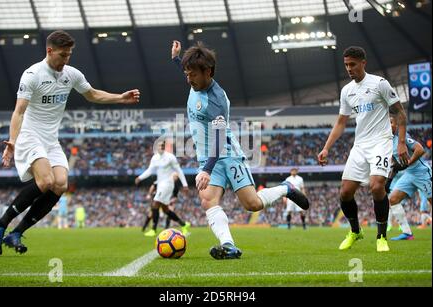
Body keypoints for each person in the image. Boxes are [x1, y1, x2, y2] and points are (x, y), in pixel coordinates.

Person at [0, 30, 140, 255]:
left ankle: (17, 232)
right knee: (46, 180)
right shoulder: (32, 74)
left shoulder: (71, 74)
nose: (66, 59)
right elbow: (19, 112)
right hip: (30, 134)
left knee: (60, 184)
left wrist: (120, 97)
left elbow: (92, 94)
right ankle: (0, 224)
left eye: (69, 55)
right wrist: (13, 140)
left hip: (50, 139)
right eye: (62, 55)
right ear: (49, 51)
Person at [171, 40, 309, 259]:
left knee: (252, 204)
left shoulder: (216, 101)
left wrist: (206, 169)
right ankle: (228, 245)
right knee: (207, 199)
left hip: (227, 154)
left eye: (192, 75)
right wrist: (177, 58)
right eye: (187, 74)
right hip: (207, 158)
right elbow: (186, 70)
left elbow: (217, 140)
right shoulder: (195, 81)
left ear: (208, 72)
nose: (188, 79)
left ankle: (286, 188)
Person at [317, 46, 409, 252]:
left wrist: (401, 142)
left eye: (352, 64)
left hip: (381, 142)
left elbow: (400, 113)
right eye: (346, 65)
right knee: (346, 192)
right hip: (360, 145)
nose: (349, 69)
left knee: (377, 187)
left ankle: (381, 237)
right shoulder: (347, 91)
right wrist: (326, 148)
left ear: (363, 63)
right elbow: (341, 123)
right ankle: (355, 231)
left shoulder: (379, 84)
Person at [386, 115, 432, 240]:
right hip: (409, 174)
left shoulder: (403, 138)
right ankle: (407, 233)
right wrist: (388, 182)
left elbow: (420, 149)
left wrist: (408, 162)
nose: (388, 124)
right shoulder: (389, 141)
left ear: (396, 125)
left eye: (391, 122)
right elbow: (396, 165)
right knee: (393, 199)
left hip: (422, 173)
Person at [135, 140, 190, 237]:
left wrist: (185, 184)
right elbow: (149, 171)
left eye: (162, 146)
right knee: (165, 210)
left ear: (164, 147)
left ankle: (153, 229)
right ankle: (184, 224)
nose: (161, 147)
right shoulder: (155, 158)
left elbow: (179, 171)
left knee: (155, 203)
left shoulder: (170, 157)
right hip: (160, 184)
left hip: (168, 184)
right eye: (159, 146)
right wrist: (140, 177)